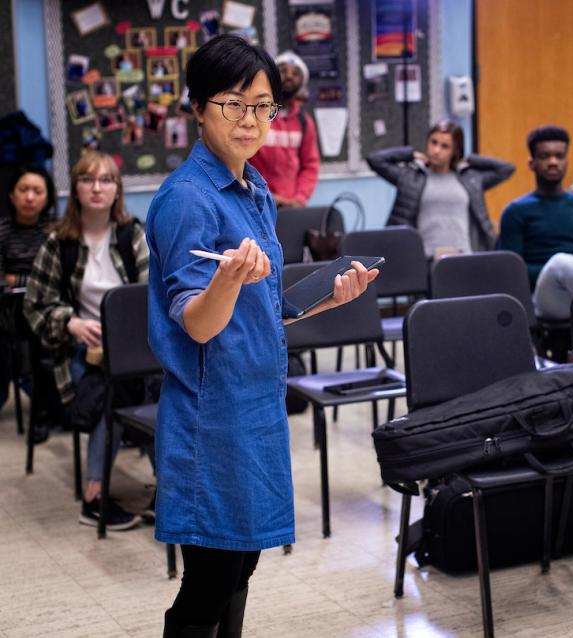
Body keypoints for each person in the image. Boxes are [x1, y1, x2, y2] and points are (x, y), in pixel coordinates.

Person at [145, 34, 378, 637]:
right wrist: (224, 283)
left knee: (241, 566)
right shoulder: (186, 201)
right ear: (198, 108)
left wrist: (329, 298)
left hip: (255, 407)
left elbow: (262, 309)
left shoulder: (255, 189)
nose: (250, 121)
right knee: (209, 581)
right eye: (232, 103)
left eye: (262, 105)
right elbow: (198, 321)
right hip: (210, 417)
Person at [23, 152, 150, 530]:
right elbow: (33, 307)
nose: (97, 188)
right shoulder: (57, 244)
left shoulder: (132, 235)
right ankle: (95, 497)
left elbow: (150, 298)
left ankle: (166, 493)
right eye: (88, 180)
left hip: (131, 348)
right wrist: (72, 323)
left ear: (117, 191)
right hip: (77, 354)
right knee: (108, 390)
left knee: (162, 388)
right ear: (75, 189)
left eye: (106, 180)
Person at [498, 125, 573, 319]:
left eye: (559, 156)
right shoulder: (516, 211)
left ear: (566, 161)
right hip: (544, 296)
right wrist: (554, 269)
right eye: (545, 156)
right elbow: (512, 271)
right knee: (561, 264)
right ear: (532, 163)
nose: (553, 162)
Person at [367, 120, 515, 257]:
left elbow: (505, 169)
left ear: (455, 151)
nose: (436, 150)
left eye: (445, 146)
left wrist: (469, 159)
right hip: (423, 257)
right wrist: (409, 154)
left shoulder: (470, 180)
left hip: (463, 255)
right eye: (433, 142)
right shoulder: (410, 177)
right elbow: (375, 160)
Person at [0, 164, 57, 412]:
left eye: (37, 191)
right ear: (12, 195)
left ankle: (44, 402)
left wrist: (18, 280)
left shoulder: (55, 230)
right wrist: (29, 280)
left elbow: (56, 278)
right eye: (23, 190)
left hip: (46, 307)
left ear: (48, 197)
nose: (30, 197)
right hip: (6, 311)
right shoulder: (1, 230)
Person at [249, 50, 319, 208]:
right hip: (254, 203)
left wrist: (300, 199)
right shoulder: (253, 114)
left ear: (301, 83)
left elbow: (310, 166)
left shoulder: (305, 122)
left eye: (295, 74)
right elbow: (239, 160)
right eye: (283, 71)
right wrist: (259, 193)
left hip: (289, 208)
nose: (289, 76)